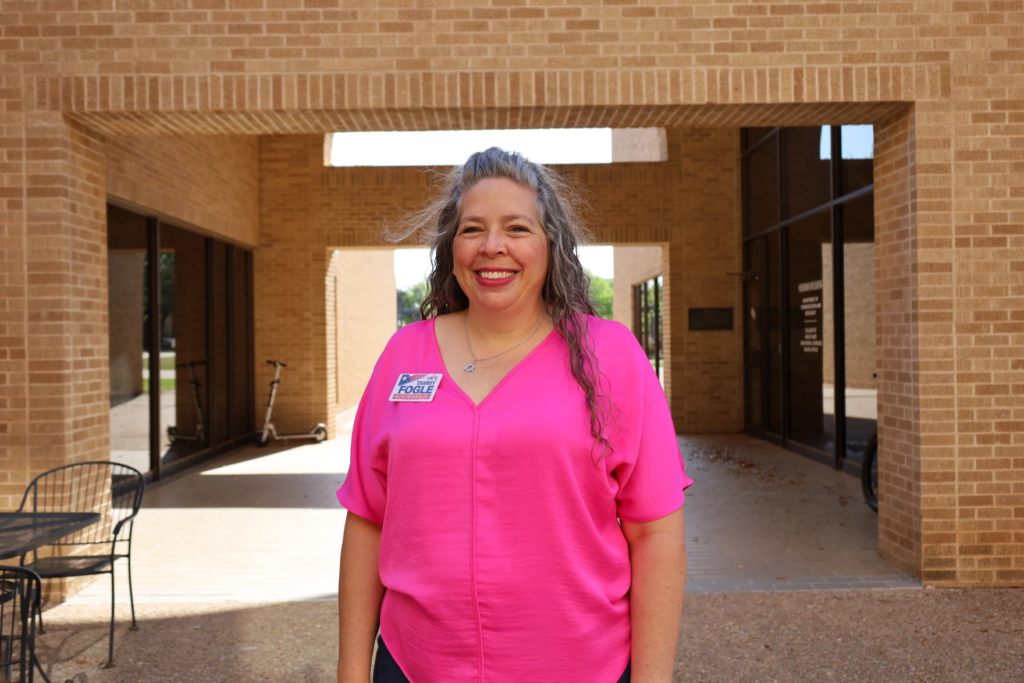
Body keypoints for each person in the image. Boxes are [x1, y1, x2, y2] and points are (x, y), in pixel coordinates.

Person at [336, 147, 694, 683]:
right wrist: (350, 672)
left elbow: (655, 535)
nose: (492, 246)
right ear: (451, 246)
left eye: (517, 228)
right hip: (415, 666)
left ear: (551, 244)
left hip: (582, 668)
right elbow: (368, 519)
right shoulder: (403, 355)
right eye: (472, 229)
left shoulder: (611, 355)